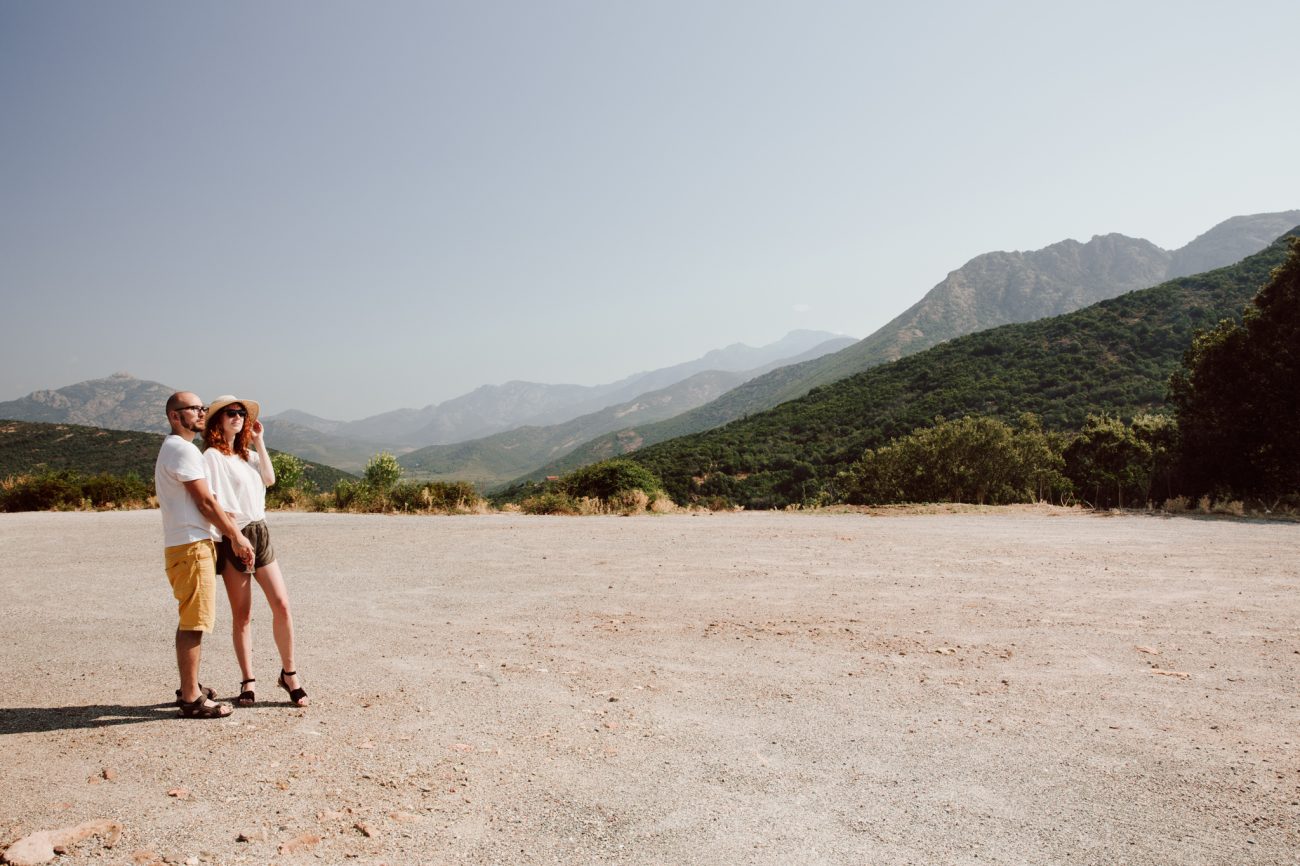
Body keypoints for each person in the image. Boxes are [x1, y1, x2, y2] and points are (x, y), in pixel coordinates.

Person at [201, 395, 309, 707]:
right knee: (243, 614)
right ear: (218, 421)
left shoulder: (247, 455)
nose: (237, 417)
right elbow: (210, 500)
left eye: (241, 414)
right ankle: (248, 681)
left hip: (261, 531)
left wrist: (260, 441)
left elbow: (270, 480)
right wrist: (232, 535)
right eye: (231, 413)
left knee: (282, 604)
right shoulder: (211, 457)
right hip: (236, 535)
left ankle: (289, 675)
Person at [155, 392, 255, 719]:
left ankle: (190, 686)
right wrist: (236, 535)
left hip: (185, 542)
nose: (201, 412)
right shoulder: (182, 450)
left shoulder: (177, 449)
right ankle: (192, 699)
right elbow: (206, 503)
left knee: (192, 617)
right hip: (191, 544)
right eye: (193, 408)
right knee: (194, 622)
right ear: (174, 416)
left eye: (201, 408)